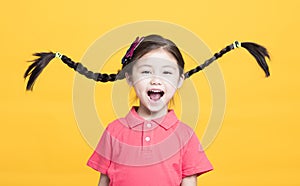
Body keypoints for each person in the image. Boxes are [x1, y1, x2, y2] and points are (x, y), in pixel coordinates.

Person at [24, 34, 270, 186]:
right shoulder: (114, 131)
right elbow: (104, 180)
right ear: (129, 78)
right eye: (146, 72)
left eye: (166, 73)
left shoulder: (185, 136)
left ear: (180, 81)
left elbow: (189, 182)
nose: (156, 80)